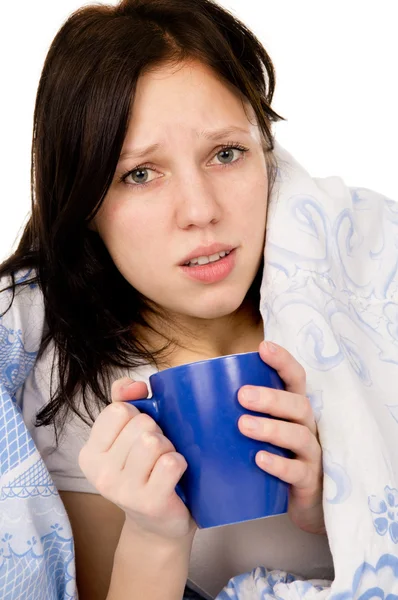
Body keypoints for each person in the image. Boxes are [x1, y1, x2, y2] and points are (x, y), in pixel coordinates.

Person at [7, 0, 394, 598]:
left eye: (225, 153)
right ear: (84, 199)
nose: (201, 210)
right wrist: (154, 535)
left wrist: (342, 498)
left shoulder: (359, 303)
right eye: (140, 173)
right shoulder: (74, 394)